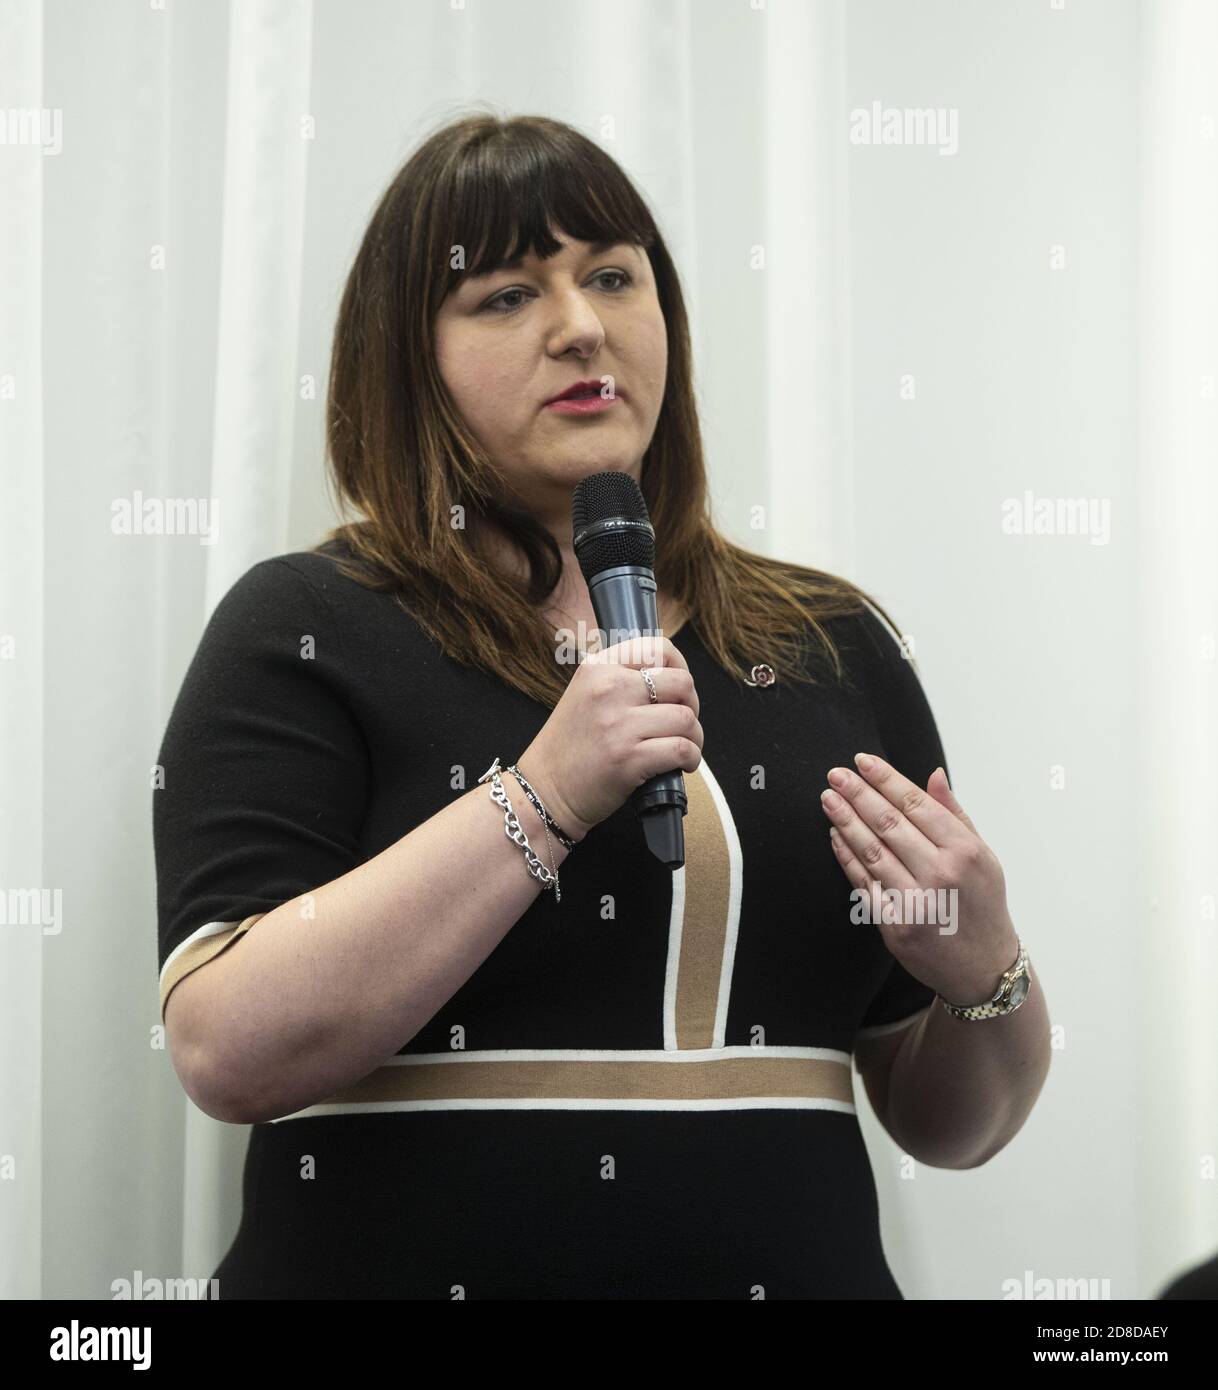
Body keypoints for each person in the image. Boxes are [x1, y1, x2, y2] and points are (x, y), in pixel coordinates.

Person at [154, 112, 1045, 1299]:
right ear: (408, 360)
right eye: (509, 295)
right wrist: (546, 793)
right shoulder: (308, 628)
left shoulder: (832, 646)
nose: (581, 326)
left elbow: (954, 1125)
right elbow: (226, 1048)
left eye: (614, 276)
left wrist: (987, 971)